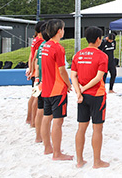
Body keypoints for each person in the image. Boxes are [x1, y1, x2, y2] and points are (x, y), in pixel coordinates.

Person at [71, 26, 110, 169]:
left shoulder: (78, 55)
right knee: (97, 129)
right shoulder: (102, 56)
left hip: (82, 97)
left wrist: (78, 91)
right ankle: (97, 161)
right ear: (98, 39)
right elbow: (98, 77)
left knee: (81, 128)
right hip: (96, 95)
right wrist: (84, 88)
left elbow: (73, 76)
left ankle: (79, 161)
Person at [40, 19, 73, 160]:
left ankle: (48, 147)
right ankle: (57, 153)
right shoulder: (58, 48)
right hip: (57, 89)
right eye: (63, 29)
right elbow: (62, 70)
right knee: (58, 121)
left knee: (47, 118)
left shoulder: (45, 46)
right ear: (59, 31)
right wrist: (69, 84)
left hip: (46, 88)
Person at [33, 23, 50, 143]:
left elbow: (36, 60)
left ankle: (38, 136)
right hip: (49, 83)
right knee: (48, 114)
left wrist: (36, 76)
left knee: (40, 109)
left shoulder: (41, 46)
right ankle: (45, 141)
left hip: (40, 81)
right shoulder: (50, 46)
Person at [26, 20, 46, 127]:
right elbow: (34, 58)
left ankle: (29, 118)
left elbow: (31, 56)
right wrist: (32, 71)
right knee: (36, 97)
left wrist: (30, 69)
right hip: (37, 73)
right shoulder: (40, 41)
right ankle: (32, 121)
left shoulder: (35, 39)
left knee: (33, 96)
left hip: (34, 72)